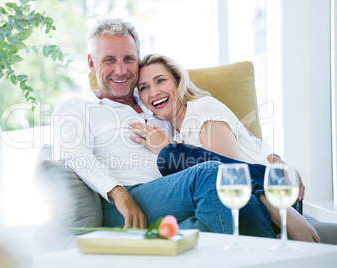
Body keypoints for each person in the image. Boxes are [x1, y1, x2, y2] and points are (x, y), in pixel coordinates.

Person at [52, 18, 278, 238]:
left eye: (129, 59)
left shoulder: (157, 104)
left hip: (184, 194)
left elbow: (214, 131)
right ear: (91, 63)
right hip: (125, 204)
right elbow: (72, 153)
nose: (120, 70)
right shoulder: (77, 108)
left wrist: (269, 156)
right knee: (212, 174)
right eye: (109, 60)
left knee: (224, 179)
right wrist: (118, 192)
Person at [129, 53, 320, 242]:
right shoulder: (171, 132)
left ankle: (269, 204)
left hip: (274, 193)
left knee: (171, 156)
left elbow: (228, 173)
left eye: (160, 81)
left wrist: (168, 148)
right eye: (144, 88)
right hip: (252, 199)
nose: (153, 92)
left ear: (178, 82)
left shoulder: (202, 107)